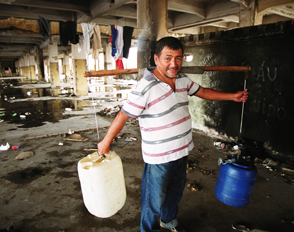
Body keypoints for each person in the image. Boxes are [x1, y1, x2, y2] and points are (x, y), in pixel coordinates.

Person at [98, 36, 248, 232]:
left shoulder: (183, 79)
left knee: (175, 192)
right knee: (154, 199)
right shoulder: (145, 86)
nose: (174, 63)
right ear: (156, 59)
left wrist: (232, 96)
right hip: (159, 157)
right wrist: (106, 141)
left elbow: (203, 92)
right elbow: (123, 115)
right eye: (168, 58)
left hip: (182, 150)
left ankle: (168, 221)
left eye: (178, 58)